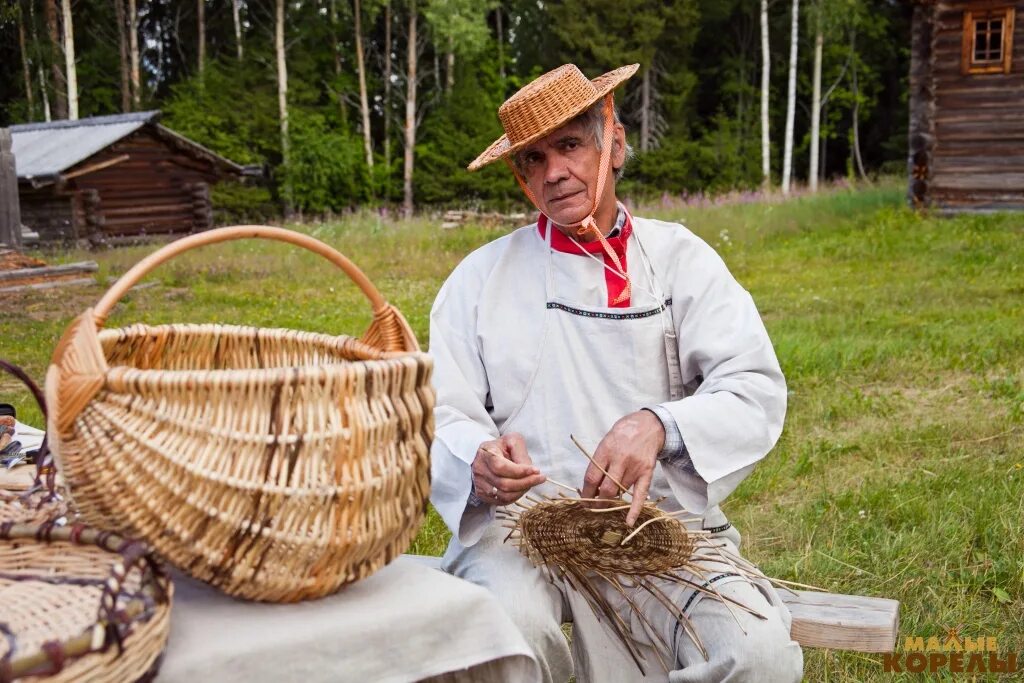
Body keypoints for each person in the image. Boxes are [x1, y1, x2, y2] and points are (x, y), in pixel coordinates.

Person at [428, 63, 803, 683]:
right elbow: (439, 409)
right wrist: (478, 459)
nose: (553, 172)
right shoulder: (480, 278)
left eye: (570, 145)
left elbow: (753, 387)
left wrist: (660, 425)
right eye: (532, 160)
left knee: (758, 655)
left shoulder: (680, 259)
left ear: (615, 143)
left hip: (659, 526)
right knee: (500, 633)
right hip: (519, 533)